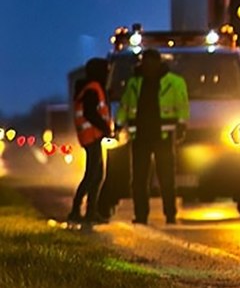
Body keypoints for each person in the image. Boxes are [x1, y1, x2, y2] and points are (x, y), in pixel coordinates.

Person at [117, 48, 189, 225]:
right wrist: (118, 124)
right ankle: (141, 216)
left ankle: (170, 214)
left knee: (166, 178)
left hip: (162, 135)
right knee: (140, 180)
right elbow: (125, 105)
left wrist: (181, 125)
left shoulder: (174, 82)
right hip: (140, 136)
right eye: (145, 62)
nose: (148, 65)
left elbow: (182, 105)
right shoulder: (134, 82)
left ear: (158, 62)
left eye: (151, 62)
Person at [68, 57, 115, 226]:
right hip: (92, 137)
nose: (108, 73)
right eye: (105, 70)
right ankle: (76, 210)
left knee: (97, 175)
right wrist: (105, 127)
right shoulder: (92, 89)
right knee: (91, 176)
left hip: (93, 137)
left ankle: (90, 212)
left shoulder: (90, 88)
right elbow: (90, 113)